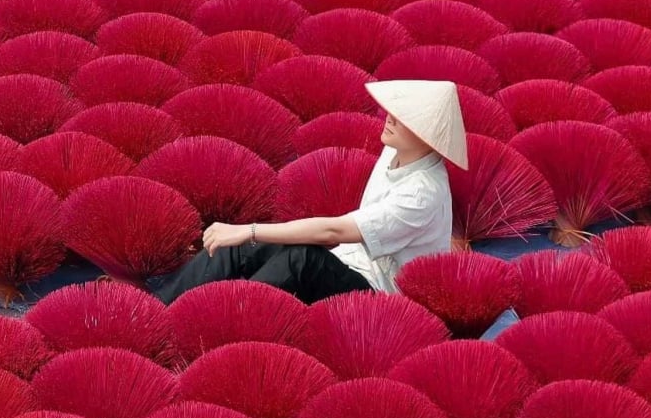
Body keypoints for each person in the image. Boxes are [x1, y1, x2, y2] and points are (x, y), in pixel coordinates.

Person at [153, 79, 465, 305]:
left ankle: (226, 325)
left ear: (429, 137)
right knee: (239, 247)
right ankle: (152, 311)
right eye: (394, 110)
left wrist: (248, 229)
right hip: (349, 263)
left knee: (298, 258)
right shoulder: (395, 151)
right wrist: (246, 236)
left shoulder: (422, 193)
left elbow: (334, 231)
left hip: (380, 297)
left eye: (405, 118)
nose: (390, 117)